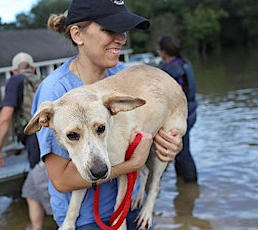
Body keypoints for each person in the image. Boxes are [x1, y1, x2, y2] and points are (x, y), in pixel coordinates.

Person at [31, 0, 184, 229]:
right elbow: (61, 180)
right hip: (87, 222)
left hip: (131, 206)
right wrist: (134, 163)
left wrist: (173, 145)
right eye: (108, 30)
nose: (121, 39)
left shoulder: (127, 75)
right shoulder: (55, 92)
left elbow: (157, 116)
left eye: (122, 30)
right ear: (77, 34)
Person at [0, 52, 52, 230]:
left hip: (38, 146)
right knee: (30, 192)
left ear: (14, 71)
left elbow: (4, 118)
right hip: (49, 141)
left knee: (55, 201)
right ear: (32, 68)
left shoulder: (15, 81)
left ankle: (68, 224)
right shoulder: (43, 80)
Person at [158, 35, 199, 183]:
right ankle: (184, 187)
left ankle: (190, 183)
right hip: (192, 111)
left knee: (182, 151)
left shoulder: (171, 69)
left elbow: (177, 92)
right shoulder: (185, 63)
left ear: (163, 52)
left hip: (183, 115)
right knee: (180, 149)